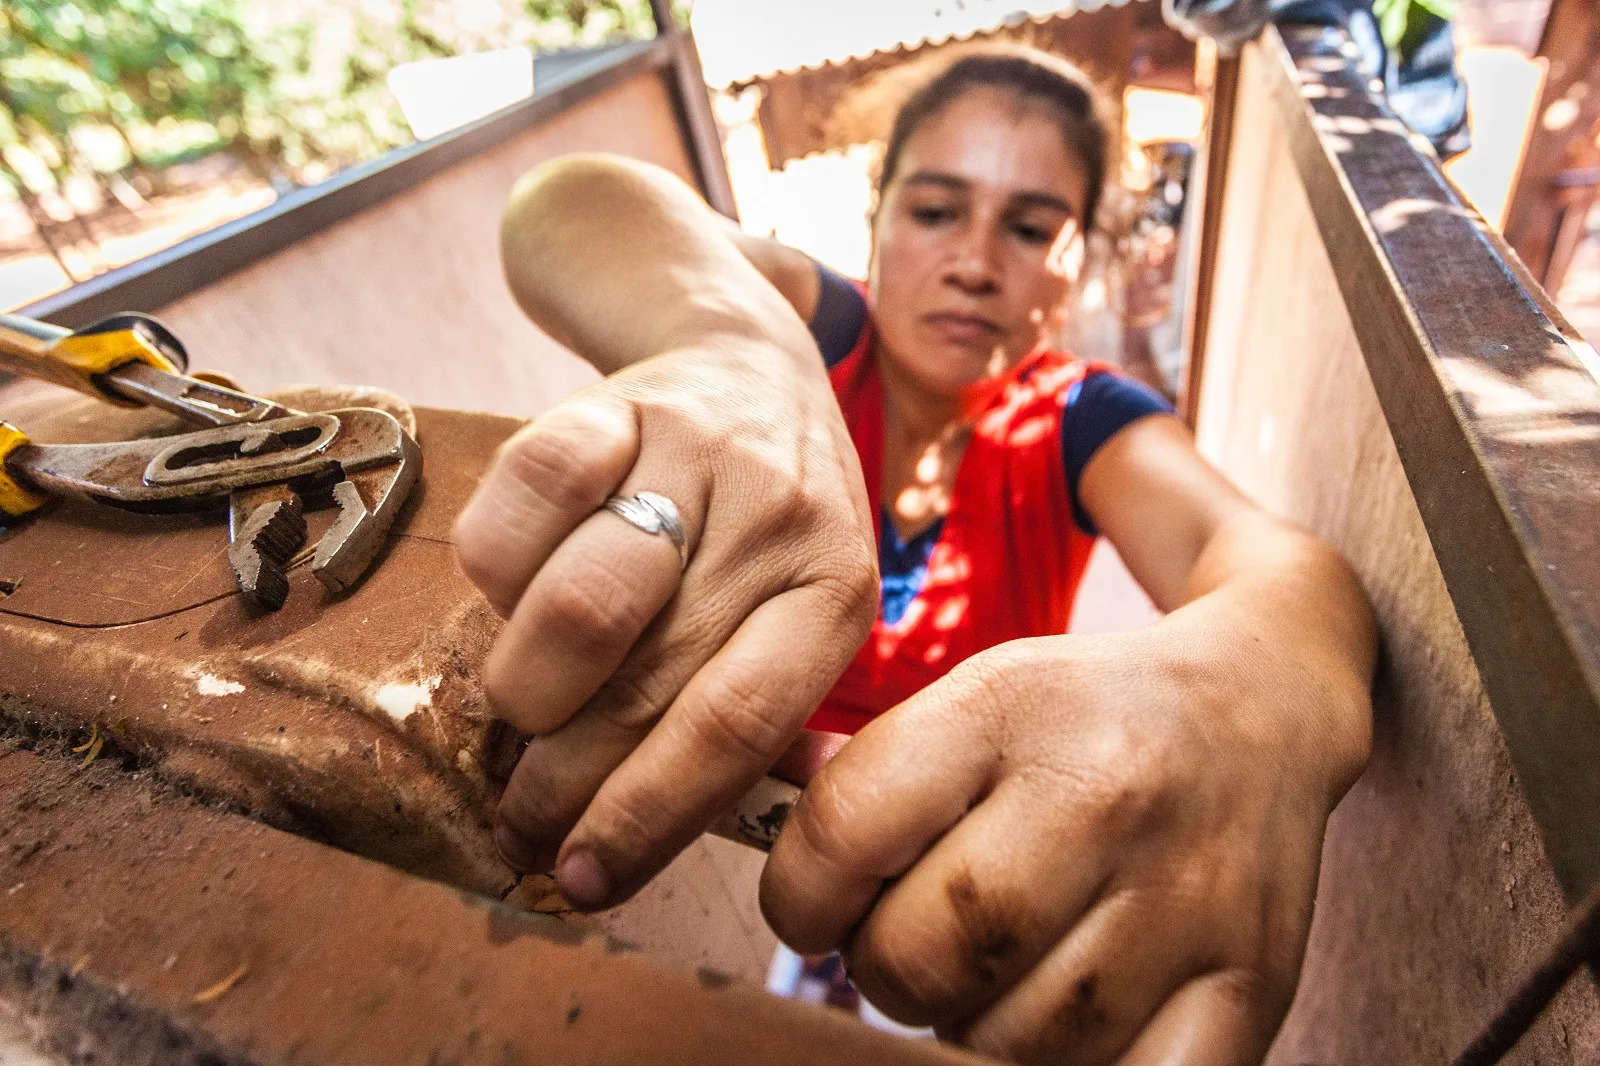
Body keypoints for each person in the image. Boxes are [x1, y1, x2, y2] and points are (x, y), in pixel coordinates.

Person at [453, 46, 1377, 1066]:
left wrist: (1246, 695)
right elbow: (571, 204)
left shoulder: (1078, 417)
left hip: (955, 876)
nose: (975, 261)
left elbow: (1268, 561)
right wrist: (733, 349)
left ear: (1076, 266)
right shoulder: (821, 330)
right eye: (935, 210)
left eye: (1030, 228)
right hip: (727, 837)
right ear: (879, 226)